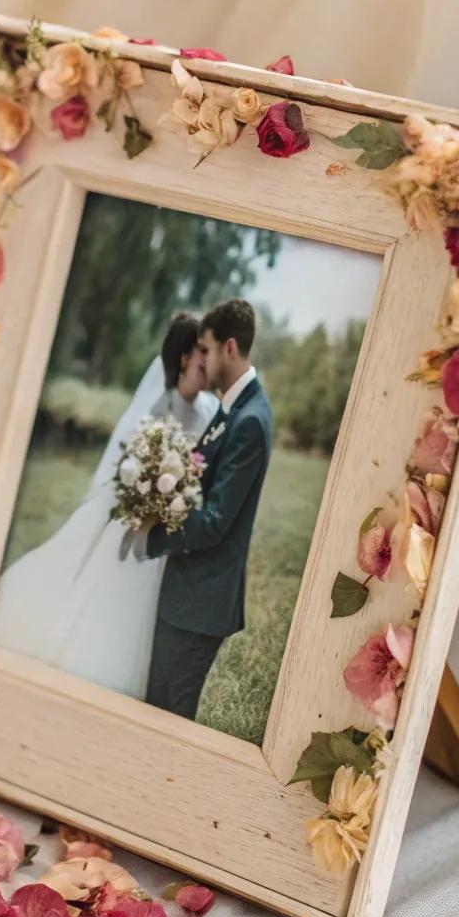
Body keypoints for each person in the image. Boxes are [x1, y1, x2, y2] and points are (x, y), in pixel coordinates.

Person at [0, 312, 218, 697]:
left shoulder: (210, 411)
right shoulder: (156, 408)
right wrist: (146, 500)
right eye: (201, 354)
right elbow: (127, 465)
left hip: (172, 523)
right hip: (136, 514)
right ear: (183, 358)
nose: (208, 362)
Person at [144, 299, 274, 721]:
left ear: (229, 348)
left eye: (208, 348)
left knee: (168, 714)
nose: (203, 358)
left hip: (200, 602)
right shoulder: (232, 407)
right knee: (155, 703)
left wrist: (153, 533)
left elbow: (215, 521)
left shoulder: (250, 419)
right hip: (189, 594)